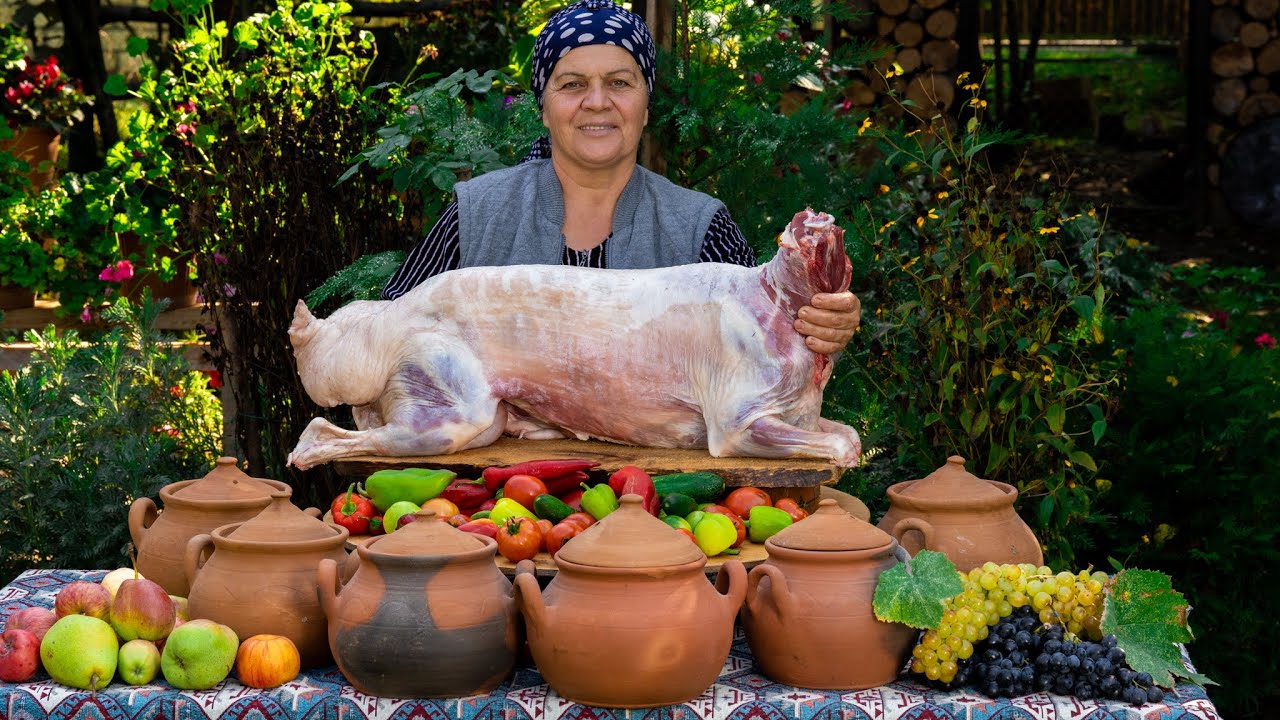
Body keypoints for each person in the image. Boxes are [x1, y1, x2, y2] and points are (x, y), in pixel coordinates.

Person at [382, 0, 860, 355]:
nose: (596, 102)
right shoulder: (477, 214)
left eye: (619, 82)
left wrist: (822, 327)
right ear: (544, 109)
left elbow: (766, 346)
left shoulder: (699, 226)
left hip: (666, 488)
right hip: (489, 487)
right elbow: (387, 331)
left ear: (645, 106)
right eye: (571, 84)